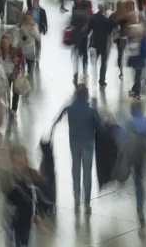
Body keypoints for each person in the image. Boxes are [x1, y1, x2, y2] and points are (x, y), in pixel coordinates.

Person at [53, 84, 103, 214]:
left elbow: (57, 120)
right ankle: (87, 203)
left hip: (74, 142)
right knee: (87, 172)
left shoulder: (70, 109)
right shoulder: (92, 111)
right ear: (86, 96)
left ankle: (76, 197)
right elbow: (101, 128)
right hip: (88, 142)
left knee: (75, 168)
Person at [2, 145, 52, 246]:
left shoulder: (32, 175)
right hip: (13, 222)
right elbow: (11, 197)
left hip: (26, 222)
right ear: (13, 163)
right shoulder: (11, 179)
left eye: (24, 160)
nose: (22, 164)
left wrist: (37, 216)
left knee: (25, 241)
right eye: (18, 162)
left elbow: (36, 197)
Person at [128, 100, 146, 226]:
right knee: (140, 181)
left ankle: (138, 202)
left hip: (131, 155)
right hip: (142, 156)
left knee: (135, 180)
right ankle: (140, 206)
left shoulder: (128, 122)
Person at [87, 3, 117, 87]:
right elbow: (114, 28)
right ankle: (102, 80)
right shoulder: (107, 20)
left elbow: (88, 30)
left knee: (94, 62)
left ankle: (93, 77)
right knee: (103, 63)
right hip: (104, 44)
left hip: (95, 43)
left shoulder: (93, 17)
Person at [0, 33, 24, 118]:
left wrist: (18, 62)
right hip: (5, 74)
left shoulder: (15, 49)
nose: (8, 40)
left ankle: (14, 109)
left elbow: (21, 60)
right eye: (6, 38)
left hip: (14, 73)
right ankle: (7, 107)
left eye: (10, 38)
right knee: (7, 92)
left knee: (15, 92)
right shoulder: (0, 50)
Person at [126, 23, 146, 97]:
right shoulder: (133, 38)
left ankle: (137, 91)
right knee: (137, 75)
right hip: (136, 60)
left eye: (133, 31)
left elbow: (145, 49)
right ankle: (135, 88)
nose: (131, 32)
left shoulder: (142, 39)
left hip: (139, 60)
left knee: (138, 76)